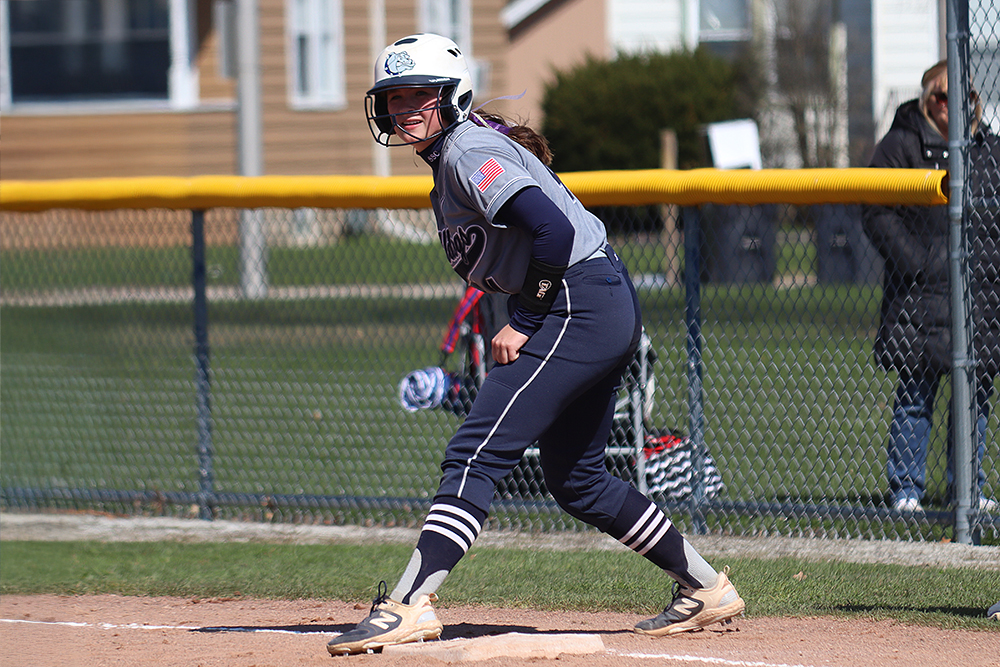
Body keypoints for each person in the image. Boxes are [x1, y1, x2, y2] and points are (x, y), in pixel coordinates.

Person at [326, 33, 744, 655]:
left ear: (452, 97)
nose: (404, 108)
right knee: (576, 478)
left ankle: (408, 604)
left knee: (475, 452)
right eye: (394, 97)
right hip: (597, 297)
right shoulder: (458, 154)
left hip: (576, 301)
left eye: (420, 95)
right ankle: (708, 589)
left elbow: (549, 231)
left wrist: (523, 320)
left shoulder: (467, 149)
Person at [863, 59, 999, 513]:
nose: (952, 105)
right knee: (916, 397)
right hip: (919, 298)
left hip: (977, 297)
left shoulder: (987, 149)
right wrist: (917, 262)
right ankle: (906, 489)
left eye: (964, 96)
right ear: (927, 101)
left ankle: (968, 488)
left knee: (974, 401)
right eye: (942, 97)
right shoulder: (901, 145)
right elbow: (876, 210)